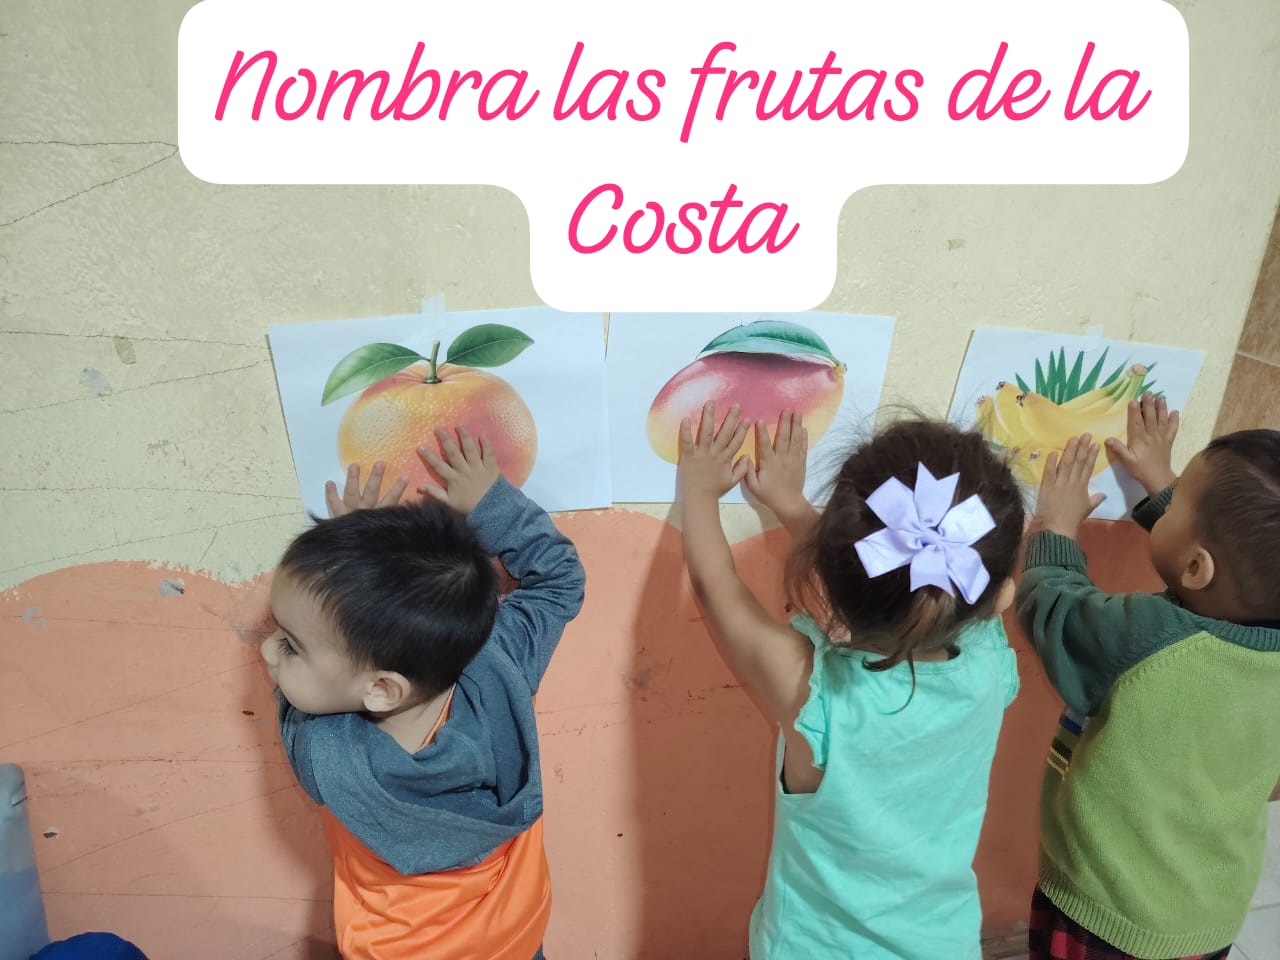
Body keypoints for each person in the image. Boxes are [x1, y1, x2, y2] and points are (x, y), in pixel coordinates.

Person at [676, 402, 1026, 959]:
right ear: (1000, 594)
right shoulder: (989, 664)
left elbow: (715, 584)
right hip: (944, 944)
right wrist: (792, 506)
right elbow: (916, 589)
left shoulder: (814, 695)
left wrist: (697, 490)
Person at [261, 427, 585, 960]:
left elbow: (309, 691)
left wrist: (354, 558)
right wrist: (491, 502)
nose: (267, 652)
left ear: (382, 690)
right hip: (514, 939)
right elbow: (560, 583)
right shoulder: (501, 665)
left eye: (290, 646)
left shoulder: (321, 750)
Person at [1017, 396, 1280, 960]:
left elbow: (1054, 607)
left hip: (1106, 915)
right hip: (1207, 919)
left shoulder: (1148, 637)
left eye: (1177, 500)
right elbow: (1207, 560)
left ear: (1197, 566)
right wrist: (1160, 479)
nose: (1169, 501)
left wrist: (1056, 525)